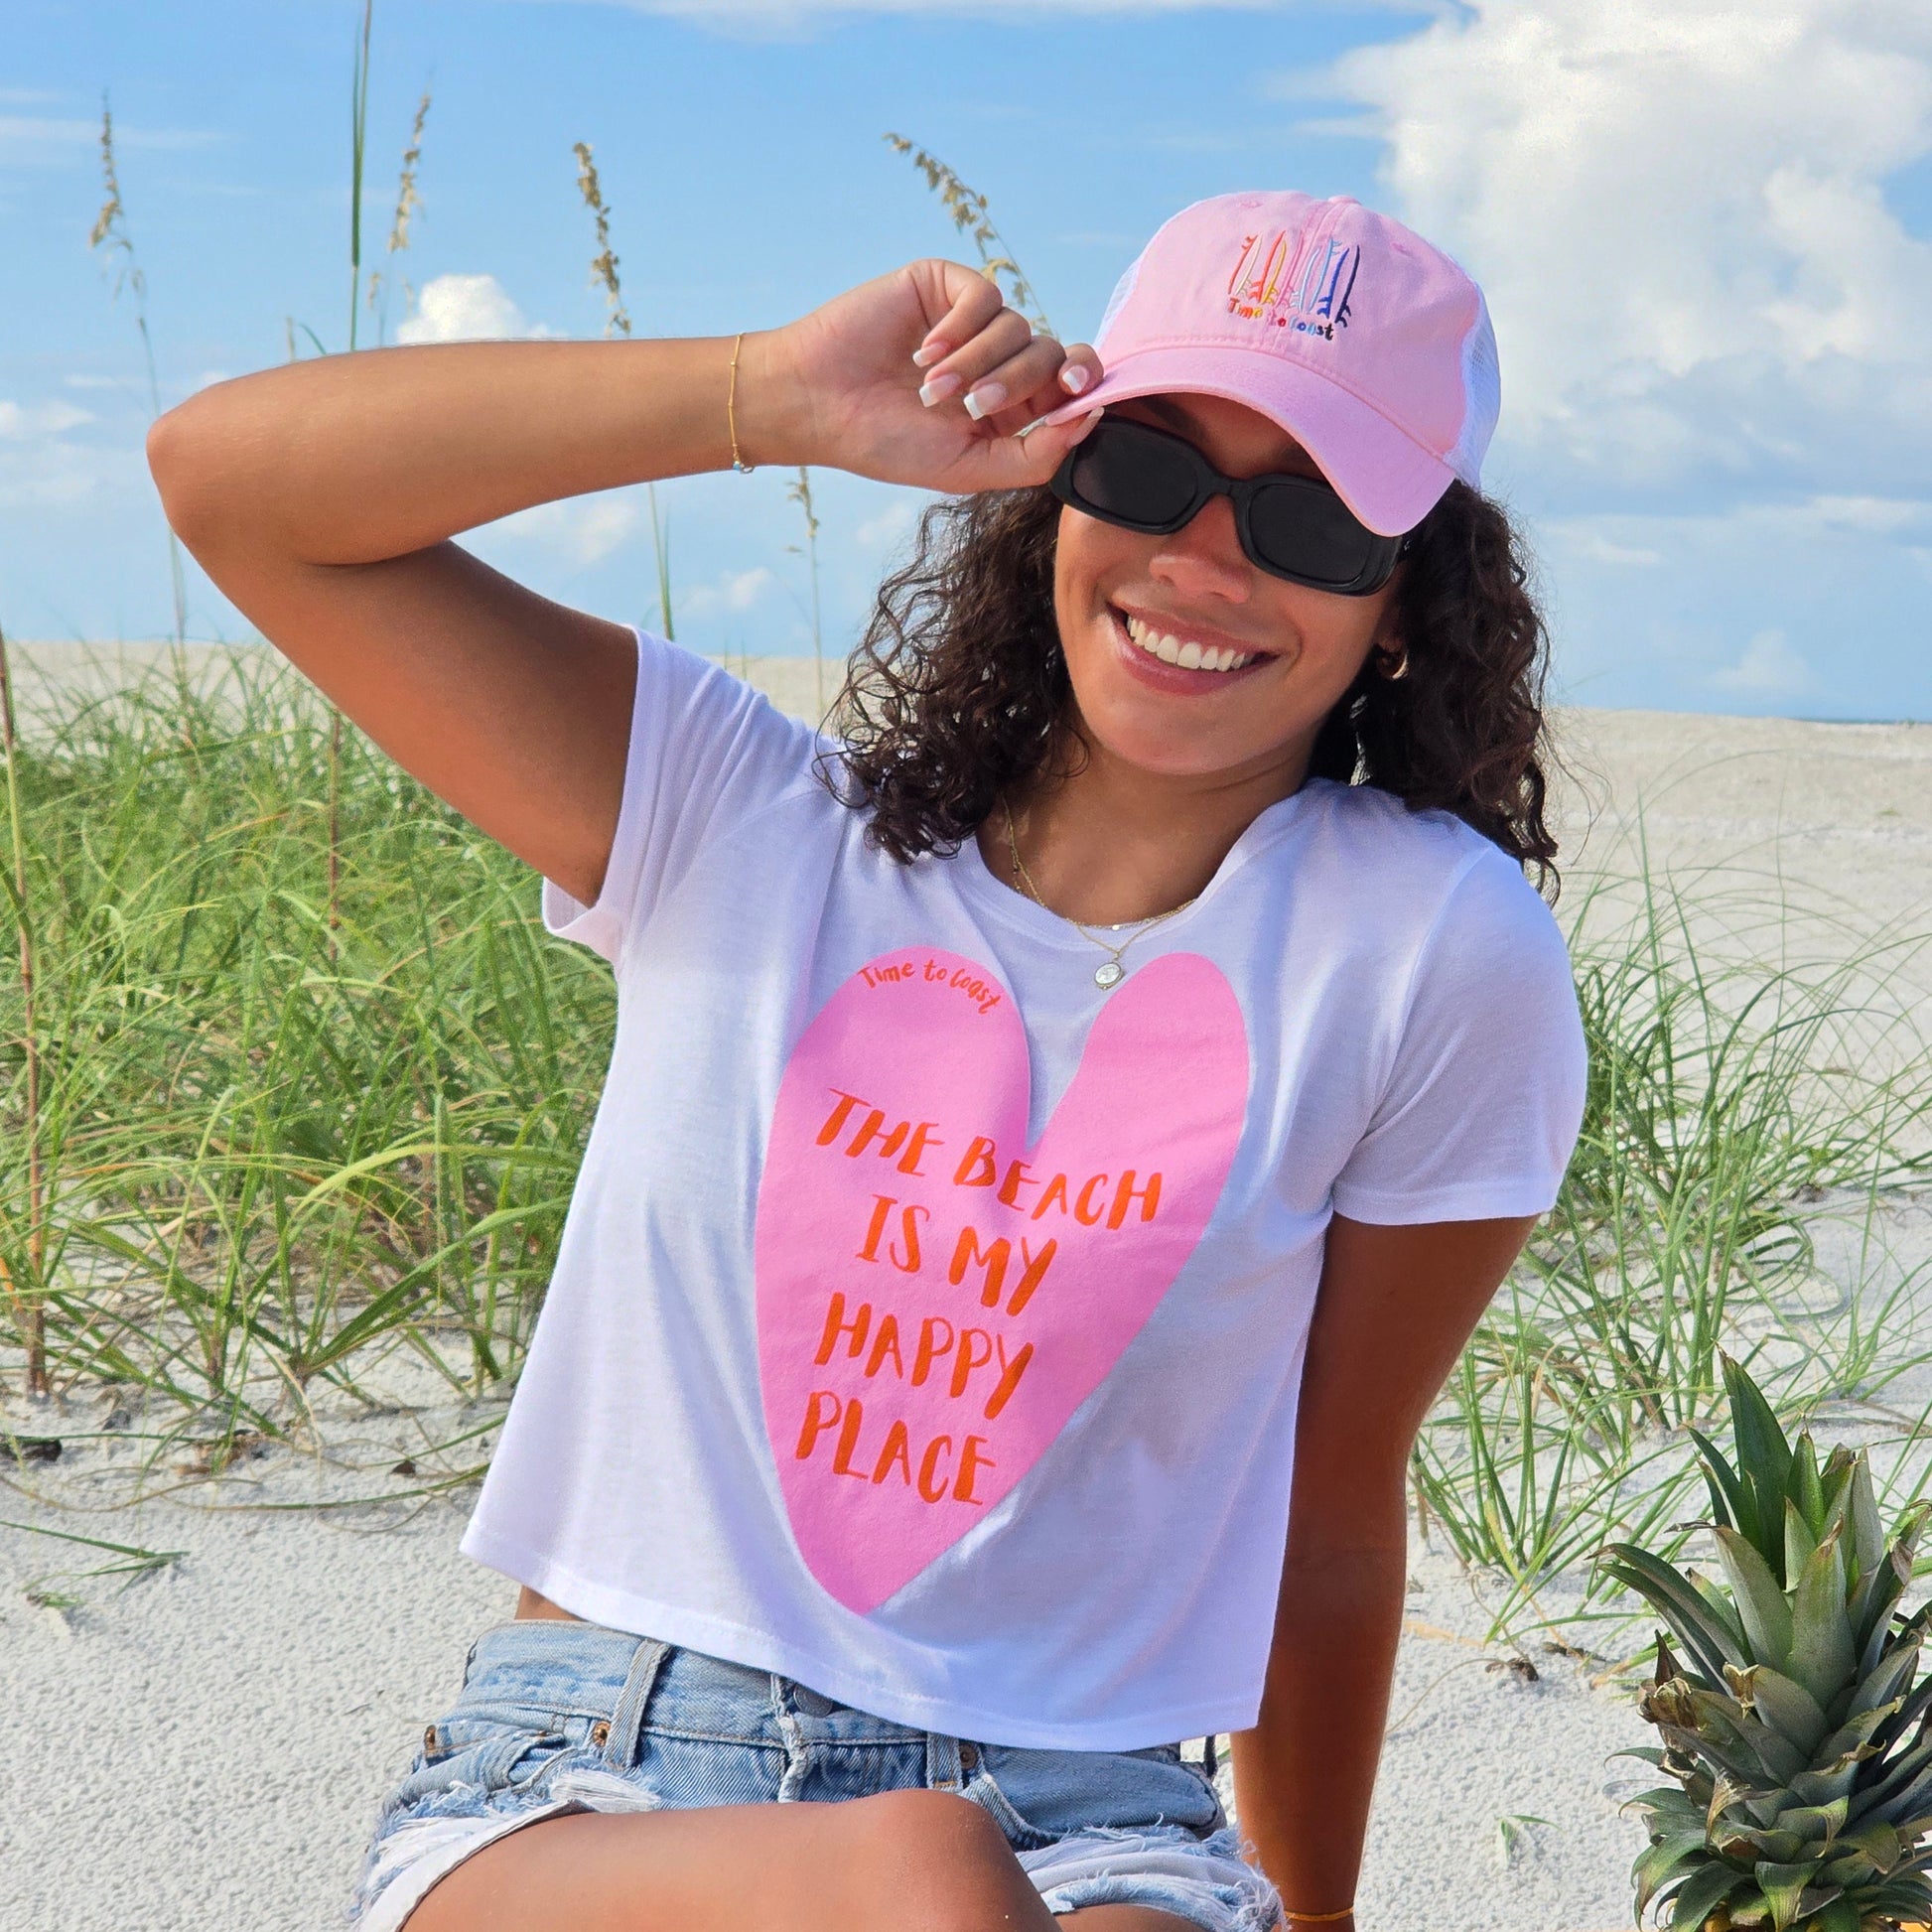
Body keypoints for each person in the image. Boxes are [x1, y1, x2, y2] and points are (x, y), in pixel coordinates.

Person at [148, 189, 1587, 1932]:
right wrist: (767, 395)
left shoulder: (1432, 952)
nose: (1203, 561)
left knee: (966, 1886)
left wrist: (1316, 1916)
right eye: (1142, 472)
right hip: (596, 1775)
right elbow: (229, 483)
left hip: (1097, 1817)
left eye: (1308, 520)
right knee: (924, 1877)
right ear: (1053, 483)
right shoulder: (735, 820)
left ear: (1410, 594)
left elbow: (1332, 1500)